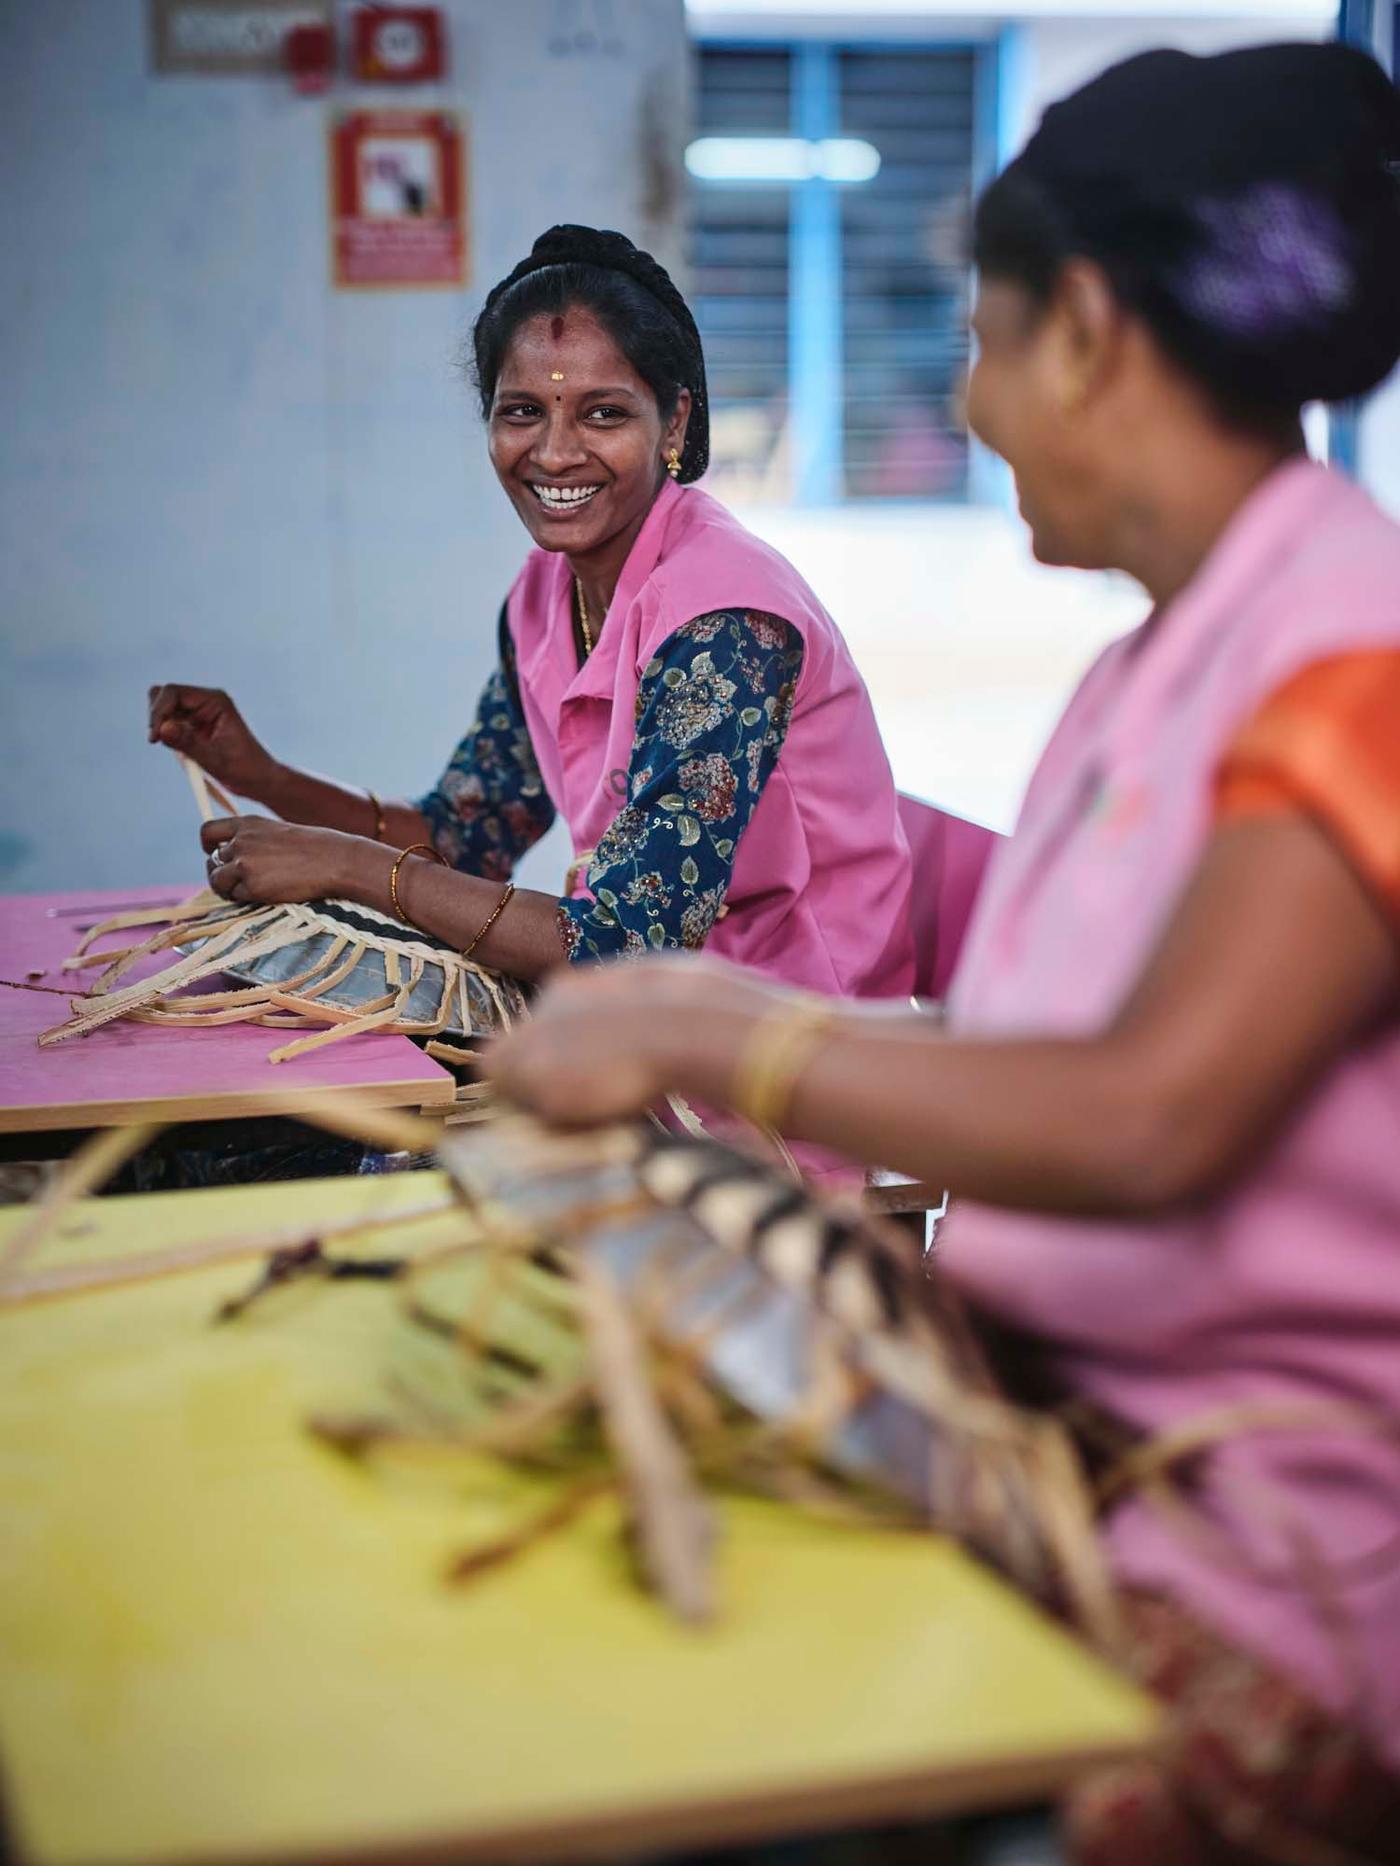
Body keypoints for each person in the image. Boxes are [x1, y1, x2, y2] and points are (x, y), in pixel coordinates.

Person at [487, 45, 1400, 1862]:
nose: (972, 408)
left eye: (982, 339)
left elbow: (1150, 1116)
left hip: (1256, 1553)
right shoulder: (1158, 664)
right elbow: (1040, 1047)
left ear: (1085, 330)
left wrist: (708, 1023)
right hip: (1053, 1453)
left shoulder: (1347, 655)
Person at [148, 226, 912, 1040]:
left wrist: (343, 864)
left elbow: (621, 944)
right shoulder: (547, 595)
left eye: (603, 414)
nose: (553, 453)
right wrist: (261, 773)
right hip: (666, 1034)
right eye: (522, 412)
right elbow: (464, 837)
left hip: (796, 1067)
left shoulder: (724, 620)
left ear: (675, 421)